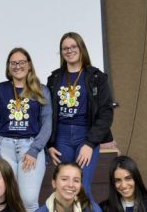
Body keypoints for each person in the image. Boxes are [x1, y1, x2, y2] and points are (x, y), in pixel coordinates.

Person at [46, 32, 114, 201]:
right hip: (61, 138)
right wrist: (49, 144)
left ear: (81, 48)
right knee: (65, 187)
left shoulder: (96, 77)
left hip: (86, 136)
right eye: (65, 48)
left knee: (82, 187)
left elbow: (106, 112)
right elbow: (46, 113)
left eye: (73, 46)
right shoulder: (54, 78)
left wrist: (90, 143)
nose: (69, 51)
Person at [0, 47, 52, 212]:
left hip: (30, 148)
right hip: (4, 147)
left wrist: (34, 150)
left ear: (29, 65)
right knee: (6, 198)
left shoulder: (41, 90)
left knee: (29, 200)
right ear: (8, 67)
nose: (17, 66)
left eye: (22, 62)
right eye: (13, 63)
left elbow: (47, 123)